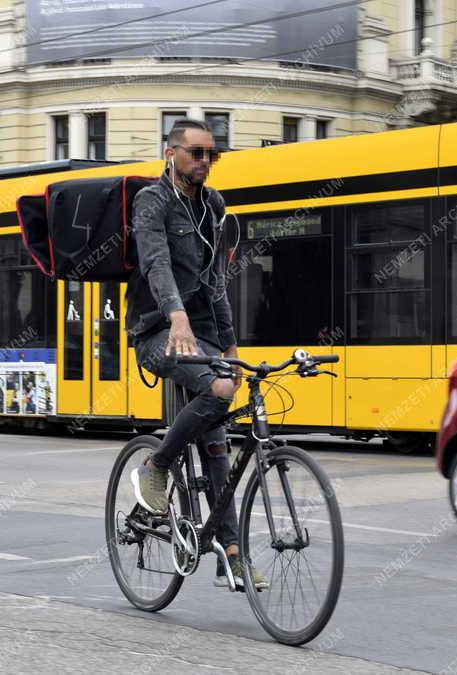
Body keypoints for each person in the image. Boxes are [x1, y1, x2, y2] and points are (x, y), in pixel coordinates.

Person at [126, 119, 267, 590]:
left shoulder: (214, 206)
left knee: (218, 442)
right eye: (196, 153)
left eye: (212, 154)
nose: (205, 161)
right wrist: (176, 315)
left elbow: (216, 282)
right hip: (156, 330)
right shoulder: (152, 201)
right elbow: (156, 262)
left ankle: (230, 553)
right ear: (172, 154)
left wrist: (228, 342)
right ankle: (157, 465)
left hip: (201, 335)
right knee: (220, 388)